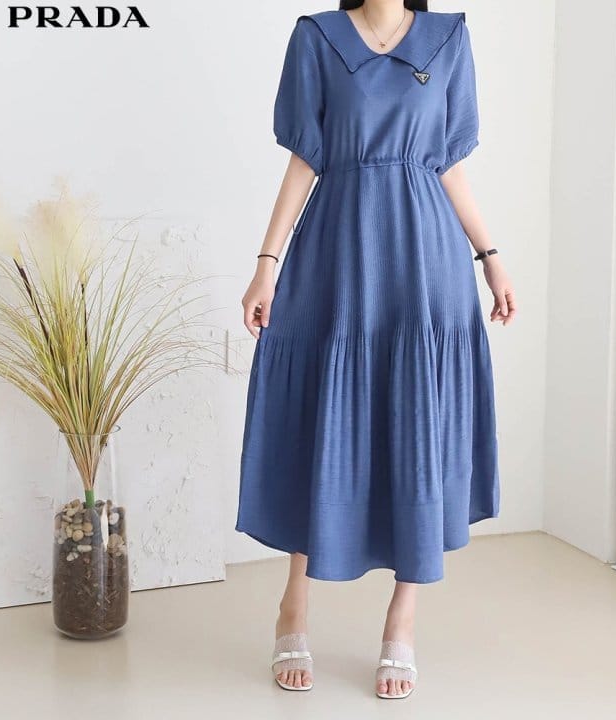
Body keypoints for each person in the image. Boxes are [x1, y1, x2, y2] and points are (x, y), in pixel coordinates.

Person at [236, 0, 517, 699]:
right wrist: (267, 264)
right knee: (321, 412)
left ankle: (402, 621)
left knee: (416, 421)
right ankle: (294, 604)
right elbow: (306, 158)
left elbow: (448, 165)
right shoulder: (317, 38)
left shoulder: (448, 39)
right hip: (337, 251)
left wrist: (491, 258)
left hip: (426, 257)